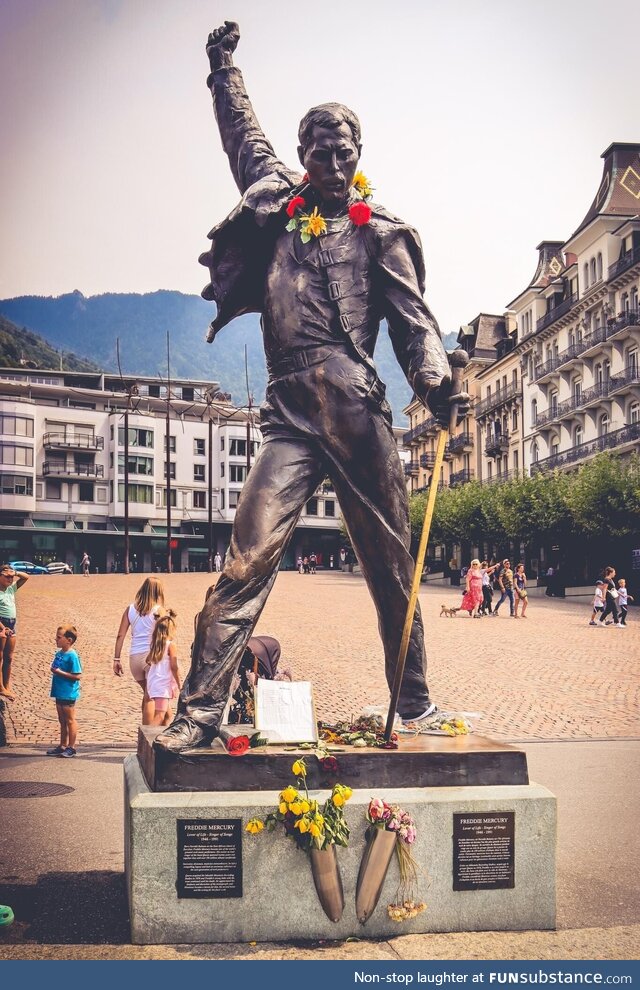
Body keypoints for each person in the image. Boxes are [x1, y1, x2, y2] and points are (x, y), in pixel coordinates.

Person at [155, 20, 467, 753]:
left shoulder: (380, 231)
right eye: (320, 152)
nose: (331, 161)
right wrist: (221, 68)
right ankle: (199, 714)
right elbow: (241, 132)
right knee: (245, 561)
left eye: (344, 152)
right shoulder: (276, 204)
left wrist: (436, 381)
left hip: (358, 412)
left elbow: (415, 324)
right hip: (289, 414)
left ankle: (413, 701)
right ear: (303, 156)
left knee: (392, 566)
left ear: (359, 156)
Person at [113, 577, 166, 724]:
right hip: (151, 658)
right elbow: (165, 635)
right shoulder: (158, 610)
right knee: (150, 697)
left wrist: (116, 659)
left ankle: (159, 727)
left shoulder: (129, 609)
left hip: (134, 658)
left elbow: (120, 635)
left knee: (147, 695)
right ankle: (146, 739)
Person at [46, 624, 82, 758]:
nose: (56, 639)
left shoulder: (73, 656)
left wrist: (59, 672)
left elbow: (77, 675)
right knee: (62, 720)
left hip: (68, 692)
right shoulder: (59, 653)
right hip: (59, 691)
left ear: (69, 640)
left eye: (59, 637)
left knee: (70, 720)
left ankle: (71, 747)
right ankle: (62, 745)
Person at [145, 610, 181, 727]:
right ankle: (147, 740)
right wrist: (179, 684)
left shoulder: (156, 645)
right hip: (162, 685)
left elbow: (148, 661)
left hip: (155, 682)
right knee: (159, 716)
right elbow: (174, 667)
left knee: (168, 716)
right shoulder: (170, 645)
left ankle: (160, 739)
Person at [0, 564, 29, 700]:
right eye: (6, 576)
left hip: (11, 624)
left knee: (9, 658)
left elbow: (26, 577)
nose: (10, 579)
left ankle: (7, 686)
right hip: (1, 624)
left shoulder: (11, 589)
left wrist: (15, 571)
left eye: (11, 577)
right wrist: (2, 628)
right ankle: (1, 688)